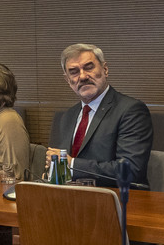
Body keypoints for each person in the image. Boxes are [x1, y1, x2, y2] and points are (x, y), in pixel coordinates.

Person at [45, 44, 152, 188]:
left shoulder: (131, 110)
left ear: (105, 69)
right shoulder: (68, 116)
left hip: (117, 197)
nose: (83, 76)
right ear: (68, 80)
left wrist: (72, 164)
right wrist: (52, 172)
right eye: (74, 72)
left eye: (89, 68)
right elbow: (62, 166)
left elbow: (129, 170)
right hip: (73, 196)